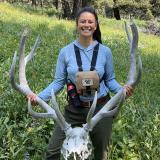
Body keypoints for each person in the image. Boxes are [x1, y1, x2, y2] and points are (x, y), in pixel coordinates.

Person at [27, 6, 133, 160]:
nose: (86, 25)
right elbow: (58, 82)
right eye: (83, 21)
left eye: (90, 22)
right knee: (53, 151)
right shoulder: (65, 52)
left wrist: (122, 91)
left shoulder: (105, 52)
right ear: (77, 24)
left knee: (101, 153)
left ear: (95, 25)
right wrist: (39, 97)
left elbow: (110, 80)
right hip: (74, 109)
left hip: (100, 109)